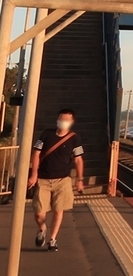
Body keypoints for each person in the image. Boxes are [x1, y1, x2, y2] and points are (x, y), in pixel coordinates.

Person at [28, 108, 85, 252]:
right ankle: (42, 228)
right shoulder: (47, 134)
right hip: (43, 178)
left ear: (71, 122)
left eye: (66, 120)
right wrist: (34, 173)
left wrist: (79, 180)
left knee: (58, 210)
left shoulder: (74, 138)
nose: (63, 122)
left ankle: (53, 240)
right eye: (61, 119)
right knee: (39, 212)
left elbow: (78, 160)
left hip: (63, 179)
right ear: (57, 119)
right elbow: (36, 153)